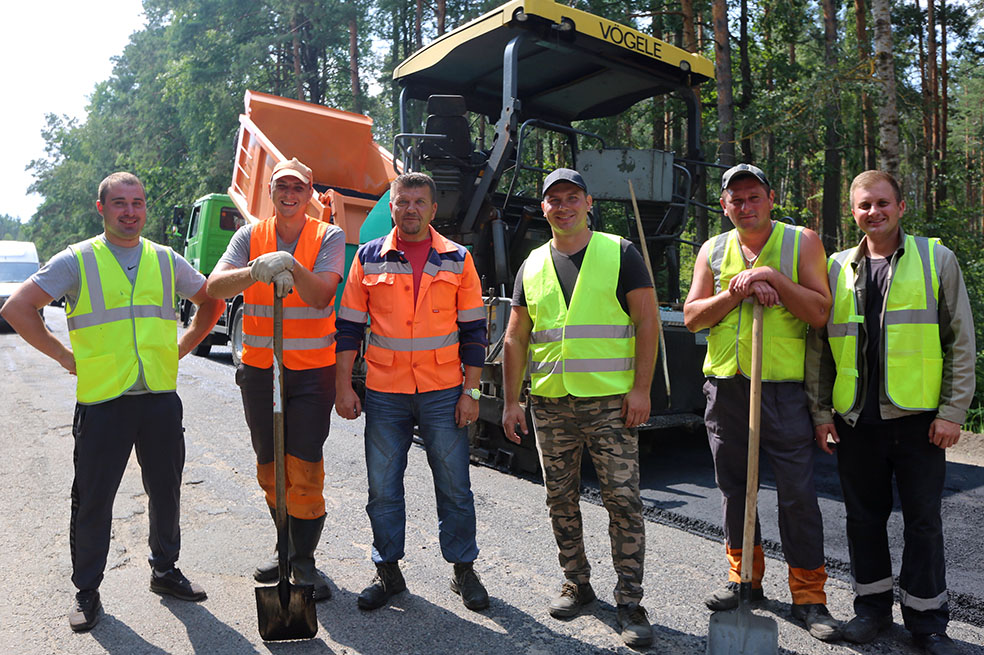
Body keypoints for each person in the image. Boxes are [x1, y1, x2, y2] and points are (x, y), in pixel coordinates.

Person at [0, 172, 224, 632]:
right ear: (101, 208)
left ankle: (165, 571)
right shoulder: (77, 260)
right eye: (120, 203)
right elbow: (17, 309)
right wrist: (64, 356)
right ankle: (87, 591)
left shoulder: (165, 260)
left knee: (166, 490)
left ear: (146, 209)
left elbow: (211, 301)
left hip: (160, 399)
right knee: (93, 500)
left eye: (138, 203)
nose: (130, 211)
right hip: (104, 402)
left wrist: (183, 346)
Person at [807, 170, 975, 655]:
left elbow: (960, 341)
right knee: (863, 519)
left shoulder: (935, 258)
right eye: (864, 205)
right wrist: (821, 414)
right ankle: (872, 611)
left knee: (923, 522)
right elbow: (819, 349)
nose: (873, 212)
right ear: (853, 211)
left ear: (901, 206)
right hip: (855, 422)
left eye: (883, 203)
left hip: (919, 422)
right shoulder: (837, 267)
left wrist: (952, 411)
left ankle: (927, 623)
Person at [500, 168, 658, 648]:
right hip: (550, 404)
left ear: (589, 203)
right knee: (560, 500)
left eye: (572, 198)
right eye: (553, 200)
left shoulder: (620, 253)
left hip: (610, 401)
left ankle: (630, 602)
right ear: (542, 208)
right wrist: (511, 401)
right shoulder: (531, 264)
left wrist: (641, 389)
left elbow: (647, 322)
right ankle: (578, 583)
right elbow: (516, 336)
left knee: (623, 502)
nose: (563, 207)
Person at [683, 163, 841, 641]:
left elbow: (819, 311)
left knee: (797, 494)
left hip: (784, 390)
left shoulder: (802, 241)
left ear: (771, 197)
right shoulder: (713, 249)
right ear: (725, 204)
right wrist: (739, 292)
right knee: (734, 488)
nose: (745, 206)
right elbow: (692, 317)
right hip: (727, 387)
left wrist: (772, 275)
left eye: (754, 197)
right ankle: (743, 580)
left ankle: (809, 596)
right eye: (736, 199)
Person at [334, 171, 490, 612]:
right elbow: (348, 329)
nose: (411, 210)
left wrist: (471, 394)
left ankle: (463, 569)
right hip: (385, 392)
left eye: (420, 202)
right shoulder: (367, 258)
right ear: (391, 207)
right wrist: (343, 386)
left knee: (455, 484)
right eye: (403, 202)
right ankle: (388, 570)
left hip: (443, 391)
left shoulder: (458, 259)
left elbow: (475, 332)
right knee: (382, 487)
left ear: (433, 209)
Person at [207, 157, 343, 601]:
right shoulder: (250, 236)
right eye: (281, 186)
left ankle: (304, 560)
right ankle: (283, 548)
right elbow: (215, 286)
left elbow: (322, 296)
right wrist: (255, 270)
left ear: (309, 194)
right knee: (269, 463)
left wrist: (292, 267)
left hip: (310, 374)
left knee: (303, 464)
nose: (289, 194)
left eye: (297, 188)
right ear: (271, 191)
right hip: (262, 372)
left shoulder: (329, 236)